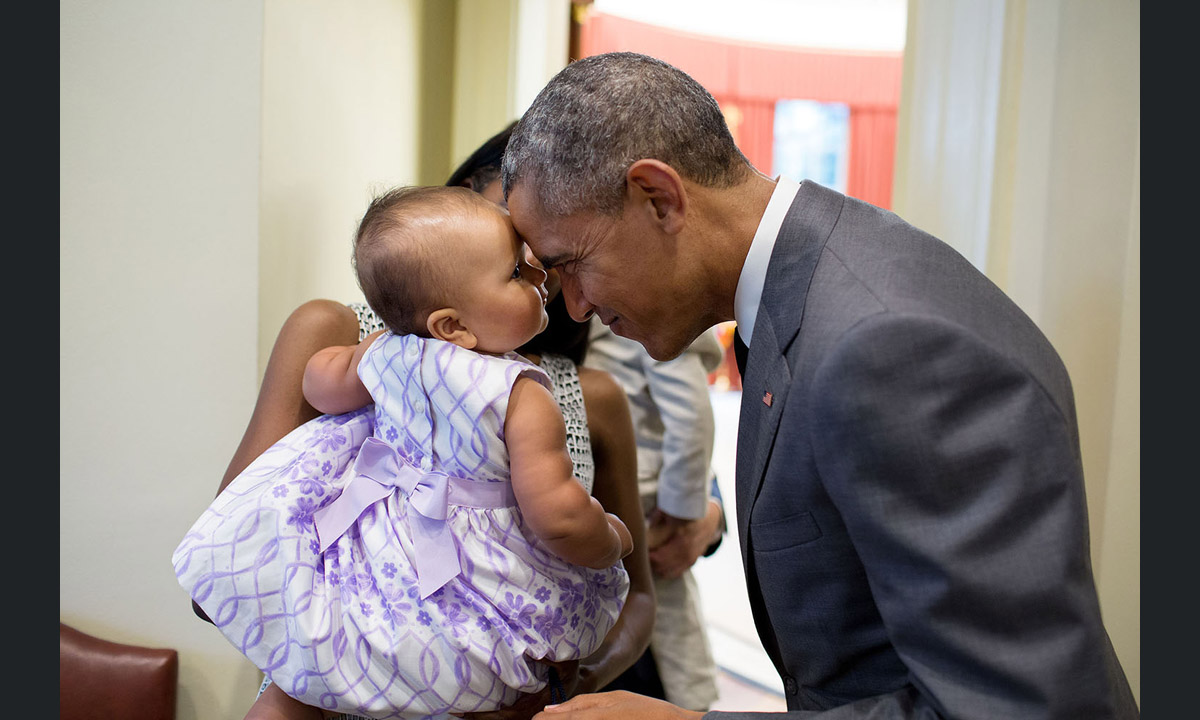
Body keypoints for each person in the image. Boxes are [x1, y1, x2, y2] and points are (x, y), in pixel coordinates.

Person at [497, 52, 1140, 719]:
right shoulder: (804, 286)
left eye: (572, 263)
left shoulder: (889, 348)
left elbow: (1022, 708)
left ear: (659, 197)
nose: (572, 306)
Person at [189, 122, 655, 720]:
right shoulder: (342, 336)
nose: (536, 263)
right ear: (461, 195)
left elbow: (637, 592)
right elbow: (235, 557)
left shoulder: (581, 392)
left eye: (552, 246)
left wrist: (555, 679)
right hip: (337, 685)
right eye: (514, 237)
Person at [583, 318, 726, 711]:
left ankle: (693, 704)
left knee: (670, 629)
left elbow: (691, 414)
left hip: (644, 505)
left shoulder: (638, 314)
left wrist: (689, 512)